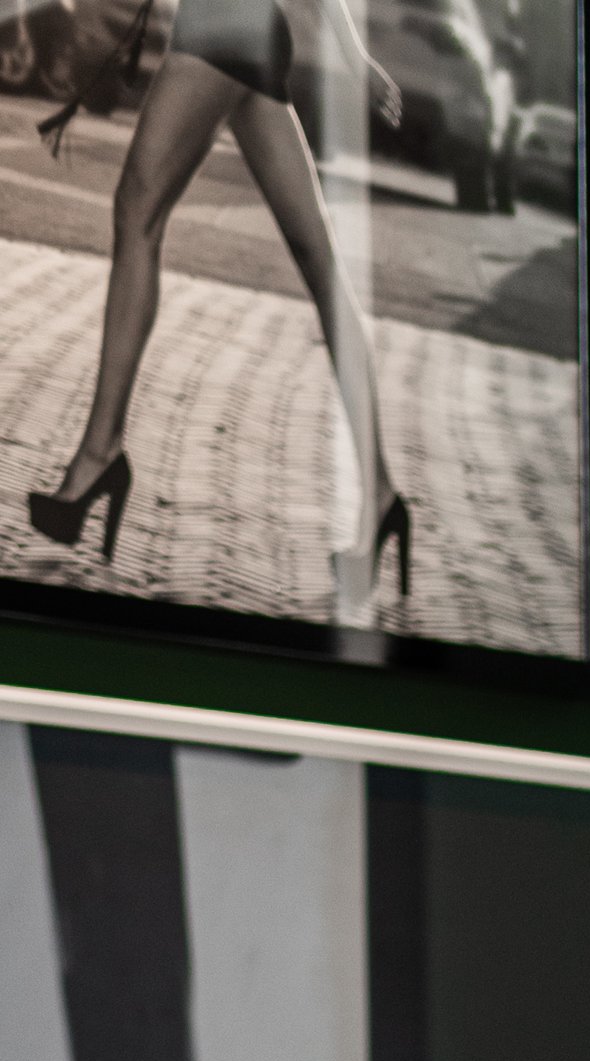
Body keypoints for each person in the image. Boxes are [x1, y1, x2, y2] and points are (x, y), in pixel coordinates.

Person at [29, 0, 410, 618]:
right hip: (247, 33)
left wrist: (356, 56)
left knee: (137, 212)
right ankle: (382, 493)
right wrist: (355, 57)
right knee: (320, 267)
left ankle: (98, 456)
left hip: (223, 25)